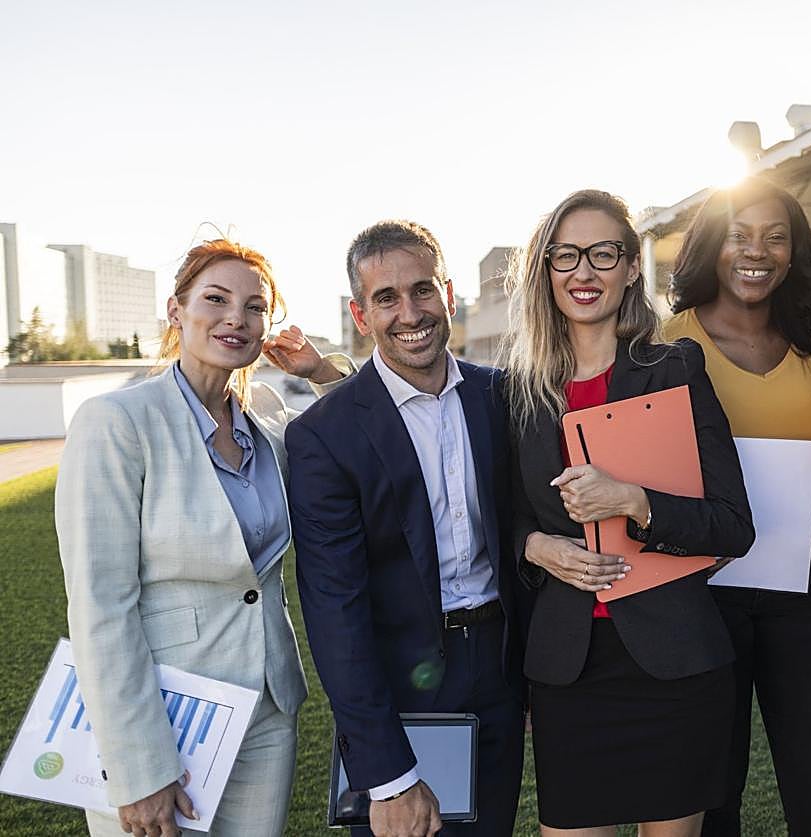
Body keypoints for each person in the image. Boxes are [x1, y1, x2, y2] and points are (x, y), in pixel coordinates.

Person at [56, 238, 351, 837]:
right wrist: (138, 766)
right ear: (176, 311)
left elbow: (359, 437)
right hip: (164, 714)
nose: (235, 319)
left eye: (255, 306)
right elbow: (100, 604)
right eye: (215, 299)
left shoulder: (265, 416)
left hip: (266, 709)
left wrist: (320, 371)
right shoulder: (117, 422)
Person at [504, 189, 754, 836]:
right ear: (545, 269)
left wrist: (635, 501)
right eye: (567, 255)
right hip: (570, 665)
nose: (584, 272)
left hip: (674, 663)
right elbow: (500, 514)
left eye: (603, 253)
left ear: (633, 266)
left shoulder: (673, 369)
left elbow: (732, 523)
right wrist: (536, 546)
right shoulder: (519, 389)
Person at [286, 220, 525, 837]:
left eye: (422, 290)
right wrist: (386, 774)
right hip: (400, 683)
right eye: (386, 298)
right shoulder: (322, 434)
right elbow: (335, 609)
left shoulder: (500, 396)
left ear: (448, 295)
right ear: (360, 314)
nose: (409, 311)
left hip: (499, 670)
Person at [663, 176, 811, 836]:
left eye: (777, 237)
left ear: (794, 252)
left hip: (807, 594)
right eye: (740, 234)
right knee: (711, 793)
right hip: (701, 595)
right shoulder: (662, 344)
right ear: (714, 244)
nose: (757, 251)